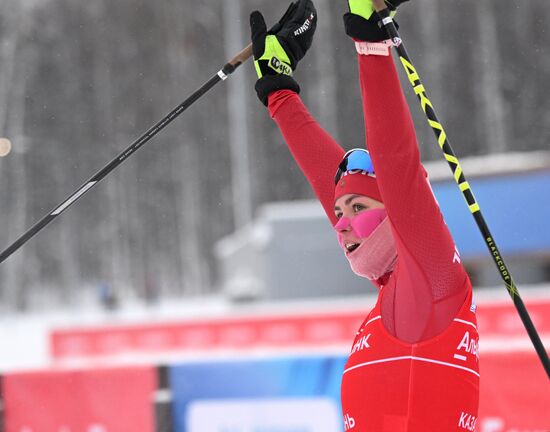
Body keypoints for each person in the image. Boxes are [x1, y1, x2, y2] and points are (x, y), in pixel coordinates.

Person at [249, 0, 480, 430]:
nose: (340, 223)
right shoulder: (397, 290)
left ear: (396, 211)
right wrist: (279, 92)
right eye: (339, 213)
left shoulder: (431, 280)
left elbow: (396, 163)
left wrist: (370, 43)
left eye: (357, 210)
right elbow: (336, 183)